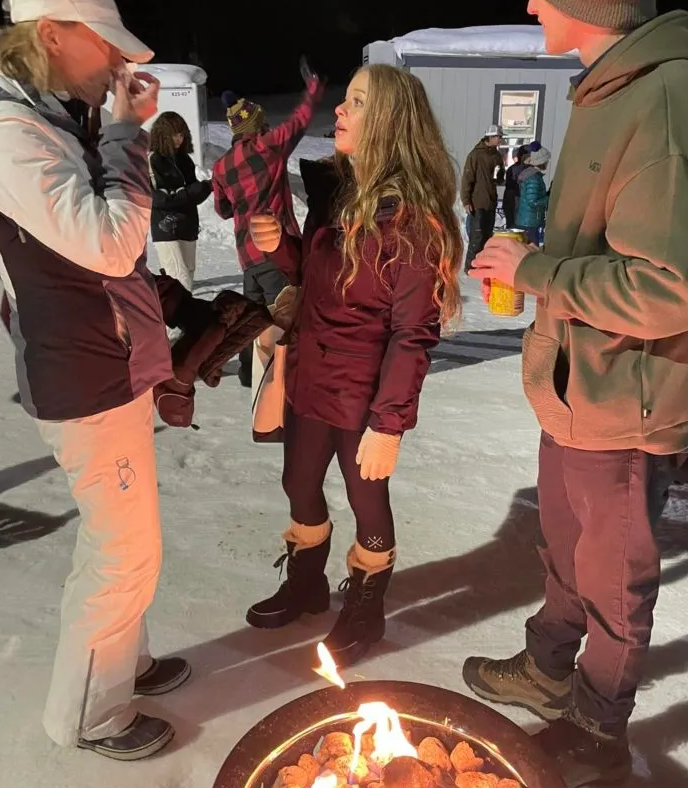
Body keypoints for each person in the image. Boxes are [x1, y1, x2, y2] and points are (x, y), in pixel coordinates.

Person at [464, 0, 688, 788]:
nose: (528, 3)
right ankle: (549, 670)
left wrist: (538, 272)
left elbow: (673, 285)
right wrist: (538, 254)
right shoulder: (611, 86)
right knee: (565, 552)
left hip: (626, 403)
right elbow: (616, 240)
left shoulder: (670, 99)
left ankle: (596, 723)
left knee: (616, 580)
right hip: (580, 392)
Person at [0, 0, 192, 761]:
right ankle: (91, 715)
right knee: (122, 550)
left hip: (102, 359)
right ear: (52, 35)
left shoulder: (47, 115)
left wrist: (108, 123)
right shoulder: (5, 131)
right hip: (84, 375)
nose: (119, 63)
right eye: (107, 45)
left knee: (126, 537)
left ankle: (122, 660)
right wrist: (129, 135)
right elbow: (108, 242)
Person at [246, 64, 463, 666]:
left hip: (363, 394)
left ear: (389, 121)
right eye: (344, 100)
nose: (339, 111)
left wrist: (388, 424)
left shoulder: (411, 221)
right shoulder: (341, 195)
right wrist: (282, 249)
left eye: (357, 103)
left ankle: (366, 608)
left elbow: (413, 334)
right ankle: (306, 583)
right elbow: (322, 280)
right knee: (298, 484)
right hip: (310, 377)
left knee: (367, 502)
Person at [211, 73, 323, 387]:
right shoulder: (267, 147)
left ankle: (249, 374)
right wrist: (315, 87)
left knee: (252, 317)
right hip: (276, 249)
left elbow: (222, 210)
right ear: (257, 124)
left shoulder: (221, 166)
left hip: (247, 255)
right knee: (284, 314)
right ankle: (280, 379)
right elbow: (299, 121)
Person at [149, 111, 212, 292]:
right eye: (174, 134)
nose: (179, 139)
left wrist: (205, 187)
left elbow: (194, 195)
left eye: (182, 134)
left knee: (187, 278)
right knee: (180, 279)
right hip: (165, 228)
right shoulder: (153, 160)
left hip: (188, 225)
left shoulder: (185, 160)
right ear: (162, 135)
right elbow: (159, 199)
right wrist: (190, 192)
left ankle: (168, 307)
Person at [461, 123, 504, 272]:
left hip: (490, 201)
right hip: (477, 201)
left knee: (487, 236)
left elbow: (499, 179)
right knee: (477, 237)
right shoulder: (475, 155)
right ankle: (470, 267)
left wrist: (500, 175)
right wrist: (466, 200)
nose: (500, 140)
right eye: (498, 137)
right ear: (490, 137)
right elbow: (467, 178)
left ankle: (483, 265)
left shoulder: (497, 156)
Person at [515, 146, 551, 244]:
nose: (547, 163)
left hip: (528, 220)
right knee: (531, 248)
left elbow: (535, 196)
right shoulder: (534, 178)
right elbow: (533, 201)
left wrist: (548, 193)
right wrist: (549, 199)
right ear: (542, 161)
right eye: (547, 161)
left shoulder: (532, 176)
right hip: (530, 221)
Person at [503, 144, 529, 229]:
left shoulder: (512, 168)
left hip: (510, 200)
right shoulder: (526, 170)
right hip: (517, 200)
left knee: (511, 225)